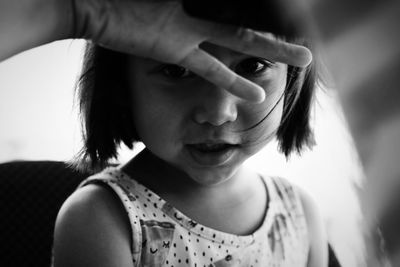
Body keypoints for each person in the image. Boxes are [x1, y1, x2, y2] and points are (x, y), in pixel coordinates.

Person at [1, 0, 328, 267]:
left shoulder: (301, 213)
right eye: (177, 70)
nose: (218, 112)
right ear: (122, 84)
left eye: (252, 66)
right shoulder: (100, 220)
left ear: (293, 77)